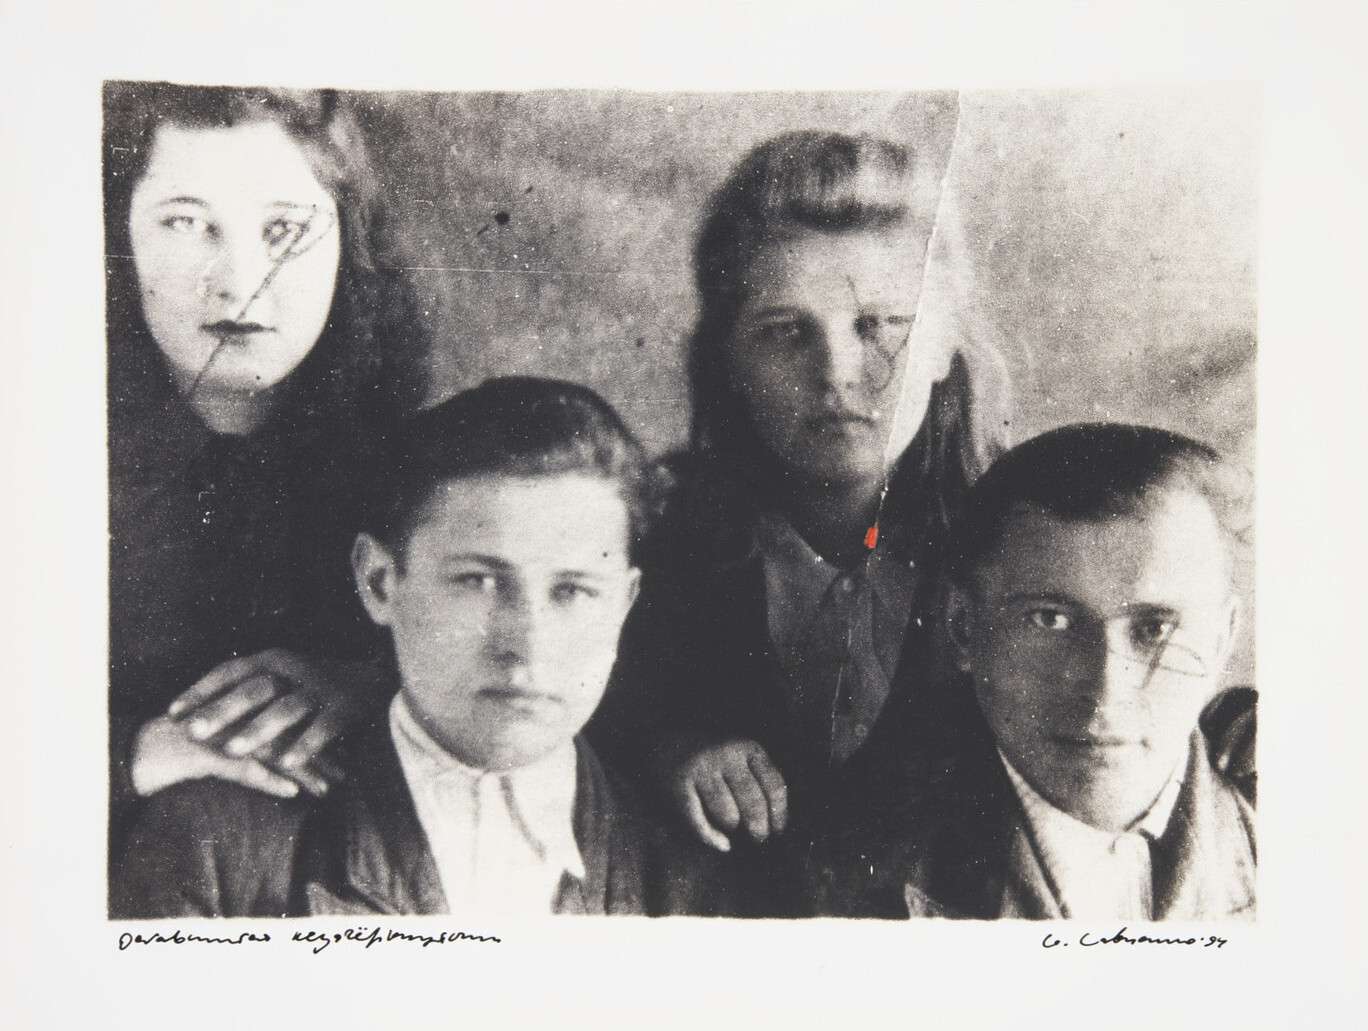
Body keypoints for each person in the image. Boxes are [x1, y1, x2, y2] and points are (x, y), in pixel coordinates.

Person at [114, 378, 726, 918]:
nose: (525, 646)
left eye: (572, 591)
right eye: (477, 580)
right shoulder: (214, 849)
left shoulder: (699, 880)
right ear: (380, 583)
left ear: (624, 603)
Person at [587, 130, 1008, 909]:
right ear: (727, 359)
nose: (836, 374)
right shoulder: (652, 536)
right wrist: (669, 753)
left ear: (947, 342)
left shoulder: (1019, 538)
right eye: (786, 332)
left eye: (881, 325)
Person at [104, 83, 428, 869]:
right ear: (118, 236)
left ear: (347, 242)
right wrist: (132, 755)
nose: (240, 280)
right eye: (186, 222)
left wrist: (374, 685)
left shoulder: (407, 461)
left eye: (284, 229)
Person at [837, 424, 1255, 920]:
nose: (1104, 691)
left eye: (1154, 629)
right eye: (1050, 620)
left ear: (1223, 637)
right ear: (964, 628)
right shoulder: (845, 874)